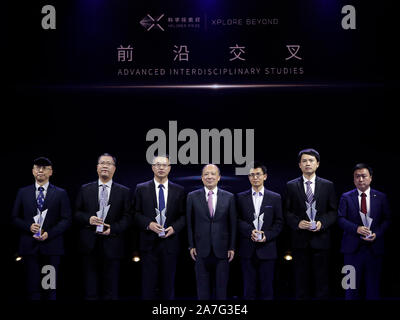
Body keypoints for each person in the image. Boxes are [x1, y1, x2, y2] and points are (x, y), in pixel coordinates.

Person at [11, 157, 71, 300]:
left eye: (44, 168)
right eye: (37, 167)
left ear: (50, 172)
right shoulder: (22, 192)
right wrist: (28, 226)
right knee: (33, 289)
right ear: (32, 171)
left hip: (51, 246)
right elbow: (14, 217)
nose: (40, 170)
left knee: (49, 288)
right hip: (29, 246)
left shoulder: (60, 193)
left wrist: (49, 234)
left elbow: (66, 219)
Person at [75, 153, 132, 300]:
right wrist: (88, 219)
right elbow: (76, 213)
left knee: (111, 290)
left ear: (114, 168)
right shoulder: (85, 189)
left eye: (108, 163)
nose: (105, 166)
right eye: (102, 163)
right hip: (89, 244)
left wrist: (113, 228)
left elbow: (128, 217)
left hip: (113, 244)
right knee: (90, 289)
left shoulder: (124, 191)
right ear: (97, 167)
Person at [284, 148, 337, 299]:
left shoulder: (328, 185)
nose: (308, 163)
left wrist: (322, 223)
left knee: (322, 283)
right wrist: (297, 223)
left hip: (321, 240)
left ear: (318, 164)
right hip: (300, 241)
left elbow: (333, 211)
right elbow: (286, 211)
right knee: (300, 283)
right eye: (304, 161)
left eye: (311, 160)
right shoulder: (291, 185)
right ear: (299, 165)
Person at [134, 155, 186, 300]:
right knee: (147, 286)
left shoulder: (179, 190)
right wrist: (148, 224)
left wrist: (174, 228)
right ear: (152, 167)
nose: (161, 167)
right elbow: (135, 213)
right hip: (148, 243)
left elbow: (184, 216)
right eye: (158, 165)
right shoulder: (141, 188)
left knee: (168, 286)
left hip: (170, 244)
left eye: (164, 165)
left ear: (169, 168)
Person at [338, 163, 391, 299]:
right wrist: (356, 229)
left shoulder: (381, 197)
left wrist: (377, 234)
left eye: (363, 176)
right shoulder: (346, 197)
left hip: (374, 250)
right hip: (351, 251)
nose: (360, 179)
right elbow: (340, 219)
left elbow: (387, 220)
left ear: (371, 178)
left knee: (373, 289)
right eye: (357, 177)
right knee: (350, 288)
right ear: (353, 179)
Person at [186, 164, 236, 300]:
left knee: (221, 290)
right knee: (202, 289)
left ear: (219, 177)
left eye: (213, 174)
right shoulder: (192, 196)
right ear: (202, 178)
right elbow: (189, 223)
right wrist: (191, 245)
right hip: (200, 249)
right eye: (206, 174)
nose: (209, 177)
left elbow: (233, 224)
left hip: (223, 249)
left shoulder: (229, 197)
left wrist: (232, 247)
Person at [236, 162, 283, 300]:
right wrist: (249, 231)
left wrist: (266, 235)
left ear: (265, 176)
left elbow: (279, 222)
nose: (255, 177)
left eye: (258, 174)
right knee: (248, 289)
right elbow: (237, 220)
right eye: (251, 175)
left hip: (267, 249)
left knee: (267, 289)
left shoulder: (275, 197)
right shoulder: (240, 197)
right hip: (247, 249)